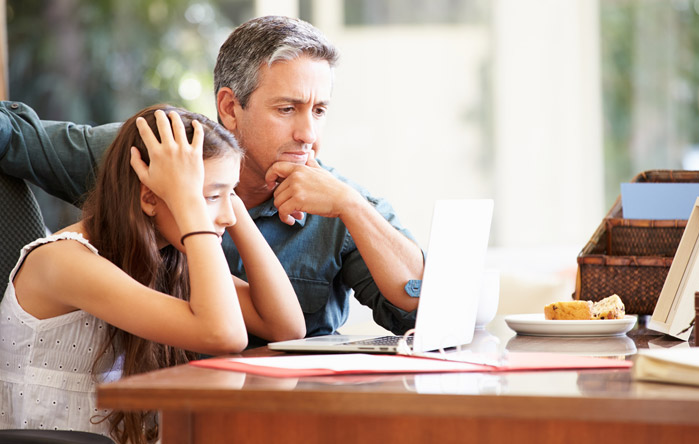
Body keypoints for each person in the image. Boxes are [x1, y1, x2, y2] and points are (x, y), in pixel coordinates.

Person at [0, 15, 424, 346]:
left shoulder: (339, 201)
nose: (308, 134)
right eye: (287, 109)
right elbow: (14, 135)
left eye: (319, 111)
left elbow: (419, 310)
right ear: (229, 106)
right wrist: (187, 192)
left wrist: (352, 207)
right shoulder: (149, 154)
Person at [0, 105, 305, 443]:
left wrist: (221, 195)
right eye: (213, 197)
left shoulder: (162, 260)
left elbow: (286, 327)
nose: (228, 216)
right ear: (149, 197)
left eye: (230, 195)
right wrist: (191, 204)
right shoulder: (63, 261)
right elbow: (224, 335)